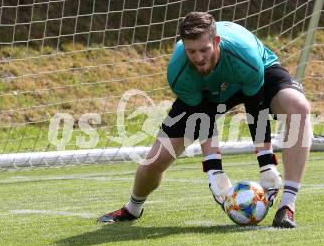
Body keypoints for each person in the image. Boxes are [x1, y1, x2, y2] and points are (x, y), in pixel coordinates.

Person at [98, 12, 312, 228]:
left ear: (216, 42)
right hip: (206, 94)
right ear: (183, 46)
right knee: (154, 161)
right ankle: (132, 208)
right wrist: (214, 171)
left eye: (204, 50)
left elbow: (255, 108)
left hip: (257, 73)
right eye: (191, 51)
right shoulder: (179, 70)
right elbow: (203, 117)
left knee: (299, 108)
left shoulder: (245, 55)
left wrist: (267, 164)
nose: (198, 58)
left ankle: (287, 207)